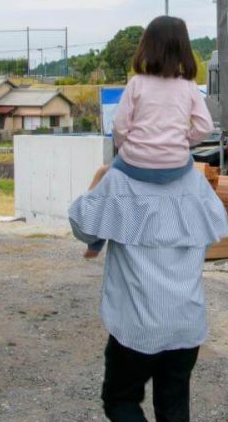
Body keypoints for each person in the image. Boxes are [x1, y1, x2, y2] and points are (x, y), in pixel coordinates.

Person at [68, 16, 228, 422]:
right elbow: (202, 132)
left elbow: (84, 221)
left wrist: (103, 193)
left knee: (118, 398)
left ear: (144, 49)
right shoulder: (196, 191)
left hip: (138, 325)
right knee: (174, 406)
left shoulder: (124, 188)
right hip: (185, 323)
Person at [82, 16, 214, 259]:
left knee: (107, 182)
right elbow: (205, 126)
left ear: (146, 46)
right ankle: (197, 243)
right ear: (184, 50)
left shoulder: (137, 83)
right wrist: (183, 140)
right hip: (175, 164)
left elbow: (120, 126)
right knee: (198, 194)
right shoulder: (188, 85)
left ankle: (95, 243)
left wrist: (127, 148)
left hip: (136, 163)